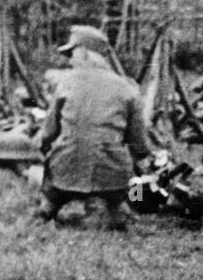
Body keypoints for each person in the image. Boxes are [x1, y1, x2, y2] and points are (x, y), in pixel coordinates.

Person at [38, 24, 151, 231]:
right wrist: (139, 159)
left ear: (84, 52)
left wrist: (46, 150)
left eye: (72, 53)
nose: (70, 59)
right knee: (139, 172)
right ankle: (134, 205)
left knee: (53, 175)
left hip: (65, 172)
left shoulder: (65, 83)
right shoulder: (127, 88)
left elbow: (48, 133)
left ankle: (49, 206)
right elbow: (139, 144)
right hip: (112, 178)